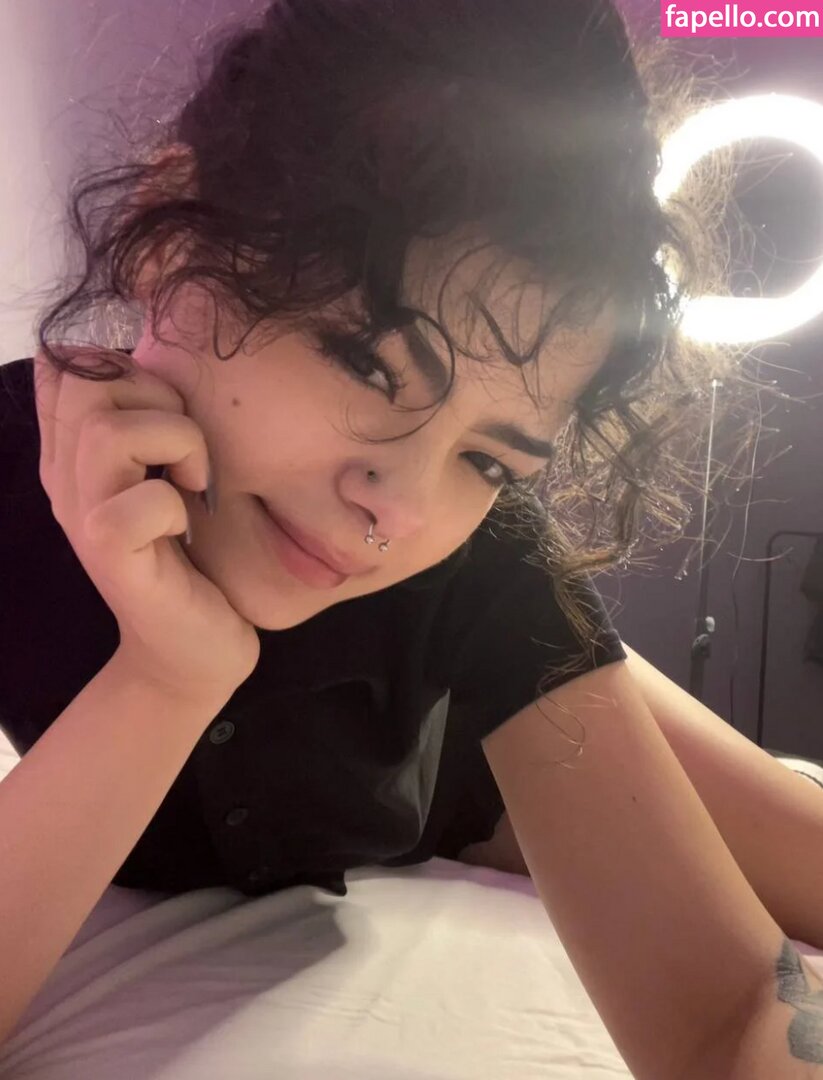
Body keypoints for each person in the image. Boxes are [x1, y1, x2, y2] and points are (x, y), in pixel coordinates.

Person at [2, 0, 822, 1074]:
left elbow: (733, 1014)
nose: (397, 508)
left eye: (489, 459)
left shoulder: (480, 557)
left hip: (480, 778)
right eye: (365, 363)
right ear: (170, 238)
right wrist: (166, 678)